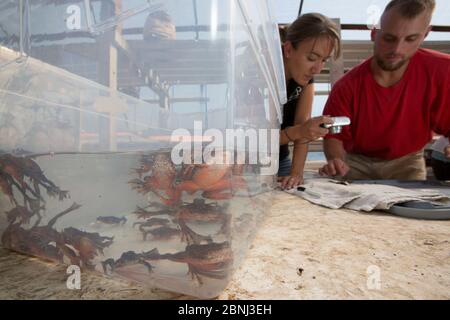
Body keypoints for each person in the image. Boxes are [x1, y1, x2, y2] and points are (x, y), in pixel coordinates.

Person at [319, 0, 450, 181]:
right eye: (389, 38)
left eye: (411, 39)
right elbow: (334, 136)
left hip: (408, 162)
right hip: (356, 162)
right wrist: (335, 160)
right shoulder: (346, 86)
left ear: (425, 35)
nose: (397, 49)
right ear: (374, 33)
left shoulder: (443, 71)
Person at [277, 13, 341, 189]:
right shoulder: (260, 78)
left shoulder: (305, 80)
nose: (317, 69)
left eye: (323, 60)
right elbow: (255, 141)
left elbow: (302, 129)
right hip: (249, 163)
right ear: (288, 50)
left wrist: (296, 174)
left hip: (281, 161)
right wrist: (300, 131)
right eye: (312, 58)